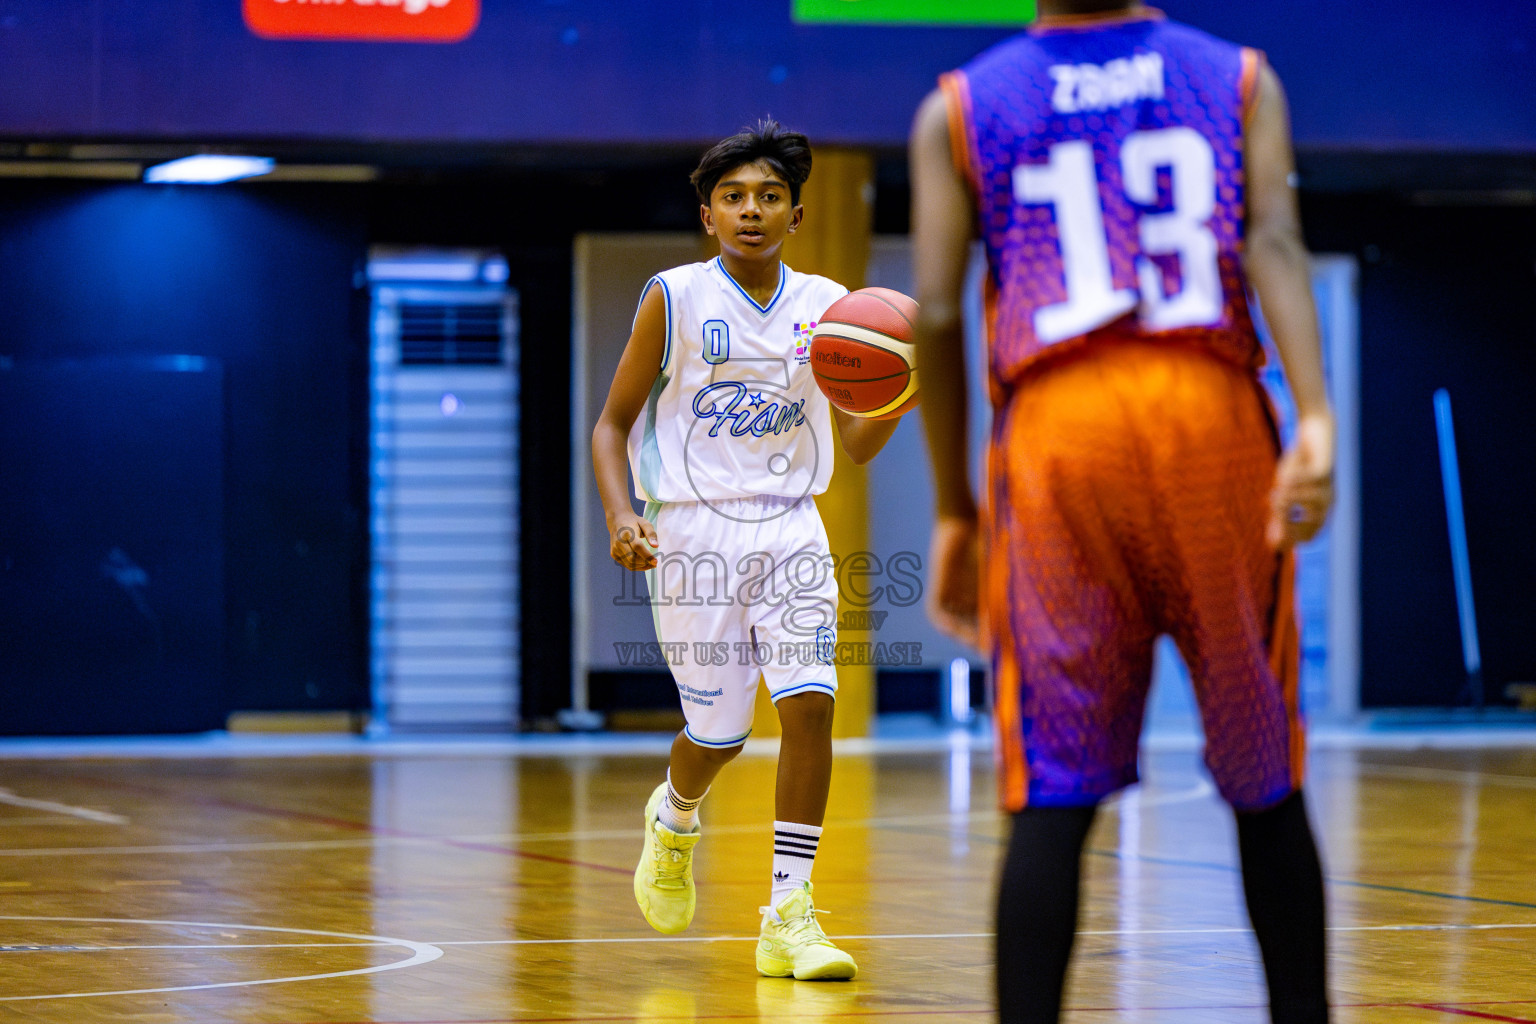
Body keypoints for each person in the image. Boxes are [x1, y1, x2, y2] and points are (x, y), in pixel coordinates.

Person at [908, 2, 1334, 1022]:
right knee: (1262, 763)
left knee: (1052, 787)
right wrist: (1314, 411)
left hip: (1061, 432)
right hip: (1210, 418)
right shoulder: (1238, 76)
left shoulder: (960, 106)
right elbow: (1273, 236)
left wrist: (954, 509)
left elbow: (929, 309)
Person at [592, 119, 898, 980]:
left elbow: (860, 443)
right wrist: (624, 515)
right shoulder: (674, 297)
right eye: (734, 198)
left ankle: (789, 914)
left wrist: (898, 396)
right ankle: (676, 815)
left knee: (809, 702)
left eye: (769, 197)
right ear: (708, 215)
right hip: (691, 528)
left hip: (791, 521)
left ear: (797, 215)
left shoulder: (830, 307)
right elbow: (611, 425)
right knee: (719, 735)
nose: (751, 211)